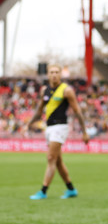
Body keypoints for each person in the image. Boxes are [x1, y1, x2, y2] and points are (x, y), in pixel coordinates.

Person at [27, 64, 89, 200]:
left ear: (60, 74)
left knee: (50, 158)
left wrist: (84, 132)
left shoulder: (66, 91)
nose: (54, 74)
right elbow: (39, 110)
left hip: (60, 127)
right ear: (48, 75)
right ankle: (71, 189)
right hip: (49, 128)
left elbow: (77, 111)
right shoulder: (44, 90)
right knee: (58, 161)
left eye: (56, 72)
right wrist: (30, 123)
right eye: (51, 72)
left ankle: (43, 191)